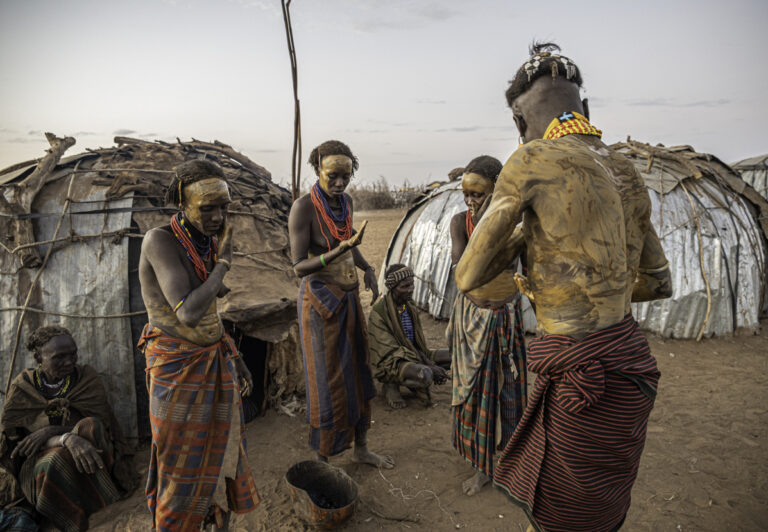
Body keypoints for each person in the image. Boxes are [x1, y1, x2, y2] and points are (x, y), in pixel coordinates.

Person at [455, 43, 672, 532]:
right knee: (602, 512)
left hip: (581, 375)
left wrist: (528, 258)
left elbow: (467, 276)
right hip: (628, 364)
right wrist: (598, 290)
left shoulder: (531, 159)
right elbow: (658, 283)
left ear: (518, 122)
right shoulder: (627, 172)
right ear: (585, 109)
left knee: (559, 519)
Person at [138, 159, 258, 531]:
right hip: (177, 370)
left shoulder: (203, 242)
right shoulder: (160, 241)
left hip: (212, 360)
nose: (219, 216)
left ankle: (215, 523)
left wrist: (234, 355)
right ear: (182, 203)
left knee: (220, 458)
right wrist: (223, 264)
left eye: (224, 207)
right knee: (180, 469)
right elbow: (188, 312)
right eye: (208, 208)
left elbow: (210, 315)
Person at [288, 140, 394, 469]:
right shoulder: (303, 208)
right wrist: (337, 252)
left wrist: (368, 268)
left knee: (359, 370)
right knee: (327, 380)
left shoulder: (344, 202)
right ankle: (323, 462)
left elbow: (350, 242)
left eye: (346, 177)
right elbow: (298, 267)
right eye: (333, 176)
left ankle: (361, 447)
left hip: (348, 299)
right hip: (319, 304)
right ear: (318, 169)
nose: (339, 183)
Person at [0, 325, 137, 532]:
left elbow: (100, 425)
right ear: (38, 357)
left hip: (88, 452)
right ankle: (68, 516)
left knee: (91, 426)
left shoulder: (85, 378)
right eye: (59, 357)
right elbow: (21, 443)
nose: (69, 362)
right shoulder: (24, 386)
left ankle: (97, 497)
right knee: (56, 459)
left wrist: (51, 432)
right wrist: (66, 439)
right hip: (38, 463)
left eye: (73, 354)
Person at [446, 155, 528, 497]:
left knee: (510, 392)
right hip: (474, 320)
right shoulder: (459, 223)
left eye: (478, 194)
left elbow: (527, 266)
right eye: (466, 194)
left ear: (496, 191)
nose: (470, 201)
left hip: (506, 319)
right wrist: (486, 225)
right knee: (476, 393)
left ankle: (510, 460)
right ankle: (481, 467)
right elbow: (464, 268)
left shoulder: (518, 222)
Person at [368, 264, 450, 409]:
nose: (410, 290)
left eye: (411, 285)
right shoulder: (379, 312)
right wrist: (429, 365)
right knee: (425, 374)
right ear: (393, 288)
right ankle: (390, 384)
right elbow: (390, 353)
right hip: (393, 362)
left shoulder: (409, 307)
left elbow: (417, 344)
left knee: (455, 355)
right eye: (405, 286)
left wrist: (427, 360)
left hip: (414, 354)